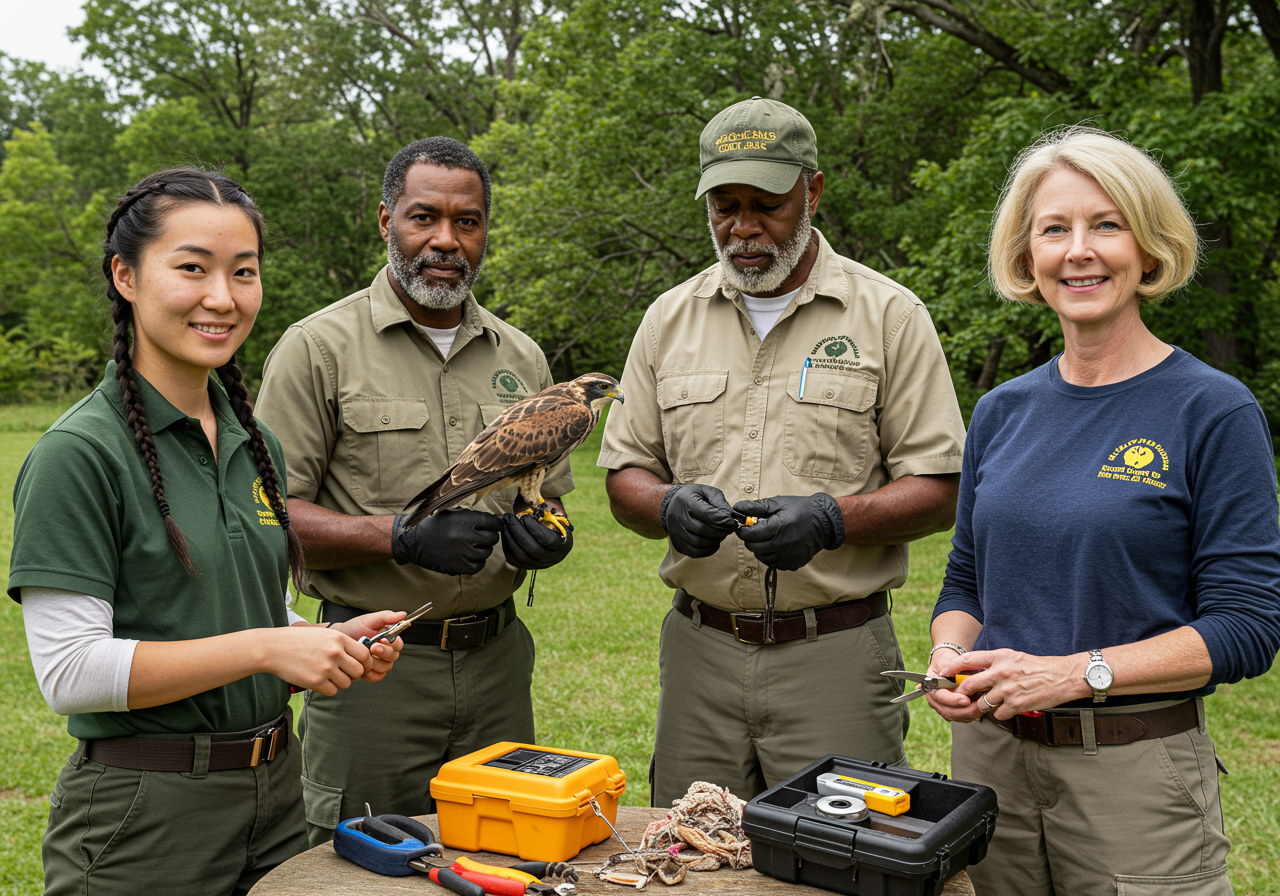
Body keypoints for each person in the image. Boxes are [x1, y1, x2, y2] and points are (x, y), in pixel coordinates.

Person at [8, 168, 407, 896]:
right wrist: (268, 648)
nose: (222, 297)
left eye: (243, 272)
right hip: (146, 816)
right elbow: (70, 672)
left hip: (276, 794)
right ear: (126, 276)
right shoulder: (79, 454)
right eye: (192, 268)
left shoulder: (255, 442)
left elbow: (243, 606)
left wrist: (317, 640)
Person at [925, 127, 1280, 895]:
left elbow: (1248, 626)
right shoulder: (1000, 411)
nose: (1078, 251)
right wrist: (948, 656)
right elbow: (966, 585)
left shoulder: (1214, 410)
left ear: (1149, 249)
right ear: (1027, 256)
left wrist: (1075, 674)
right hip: (990, 769)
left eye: (1107, 225)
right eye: (1054, 229)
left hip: (1134, 773)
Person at [598, 97, 967, 806]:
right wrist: (667, 505)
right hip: (700, 652)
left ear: (813, 191)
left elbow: (940, 486)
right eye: (724, 207)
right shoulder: (668, 318)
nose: (743, 228)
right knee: (692, 845)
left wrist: (832, 520)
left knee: (841, 851)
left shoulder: (890, 316)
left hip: (835, 654)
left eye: (767, 205)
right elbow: (625, 473)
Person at [254, 137, 574, 845]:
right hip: (371, 668)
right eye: (424, 217)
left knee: (503, 852)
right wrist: (399, 536)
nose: (446, 241)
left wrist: (547, 533)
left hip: (497, 663)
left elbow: (547, 493)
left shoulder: (522, 357)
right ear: (385, 221)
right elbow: (266, 519)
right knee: (359, 865)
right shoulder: (317, 348)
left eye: (468, 222)